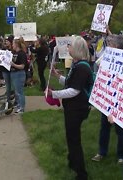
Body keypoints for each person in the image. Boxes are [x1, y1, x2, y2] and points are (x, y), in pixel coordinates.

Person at [46, 36, 93, 180]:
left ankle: (81, 173)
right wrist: (57, 76)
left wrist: (54, 94)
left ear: (77, 49)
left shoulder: (82, 67)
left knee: (74, 139)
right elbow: (70, 83)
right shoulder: (77, 64)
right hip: (73, 107)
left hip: (77, 108)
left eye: (70, 46)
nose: (68, 48)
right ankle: (72, 161)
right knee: (71, 136)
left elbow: (74, 90)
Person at [92, 34, 123, 164]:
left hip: (120, 100)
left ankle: (122, 155)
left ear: (117, 46)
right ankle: (102, 151)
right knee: (104, 127)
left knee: (120, 129)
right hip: (107, 98)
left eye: (110, 44)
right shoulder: (106, 57)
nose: (108, 46)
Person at [10, 39, 27, 114]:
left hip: (19, 74)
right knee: (17, 91)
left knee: (20, 92)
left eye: (13, 44)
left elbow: (22, 66)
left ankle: (22, 108)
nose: (12, 45)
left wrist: (14, 65)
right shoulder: (15, 53)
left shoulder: (22, 54)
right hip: (14, 73)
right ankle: (19, 105)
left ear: (16, 45)